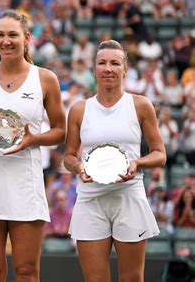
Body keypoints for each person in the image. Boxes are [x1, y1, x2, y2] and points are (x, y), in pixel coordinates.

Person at [0, 9, 66, 281]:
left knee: (26, 271)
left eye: (12, 35)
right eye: (0, 35)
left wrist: (35, 139)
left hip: (26, 185)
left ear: (27, 38)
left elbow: (60, 132)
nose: (6, 41)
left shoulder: (45, 79)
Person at [64, 40, 166, 282]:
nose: (108, 68)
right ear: (94, 69)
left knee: (132, 278)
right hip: (90, 200)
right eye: (102, 63)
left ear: (125, 69)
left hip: (129, 196)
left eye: (114, 63)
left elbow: (159, 154)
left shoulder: (141, 105)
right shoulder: (79, 110)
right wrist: (78, 166)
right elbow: (68, 157)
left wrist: (137, 164)